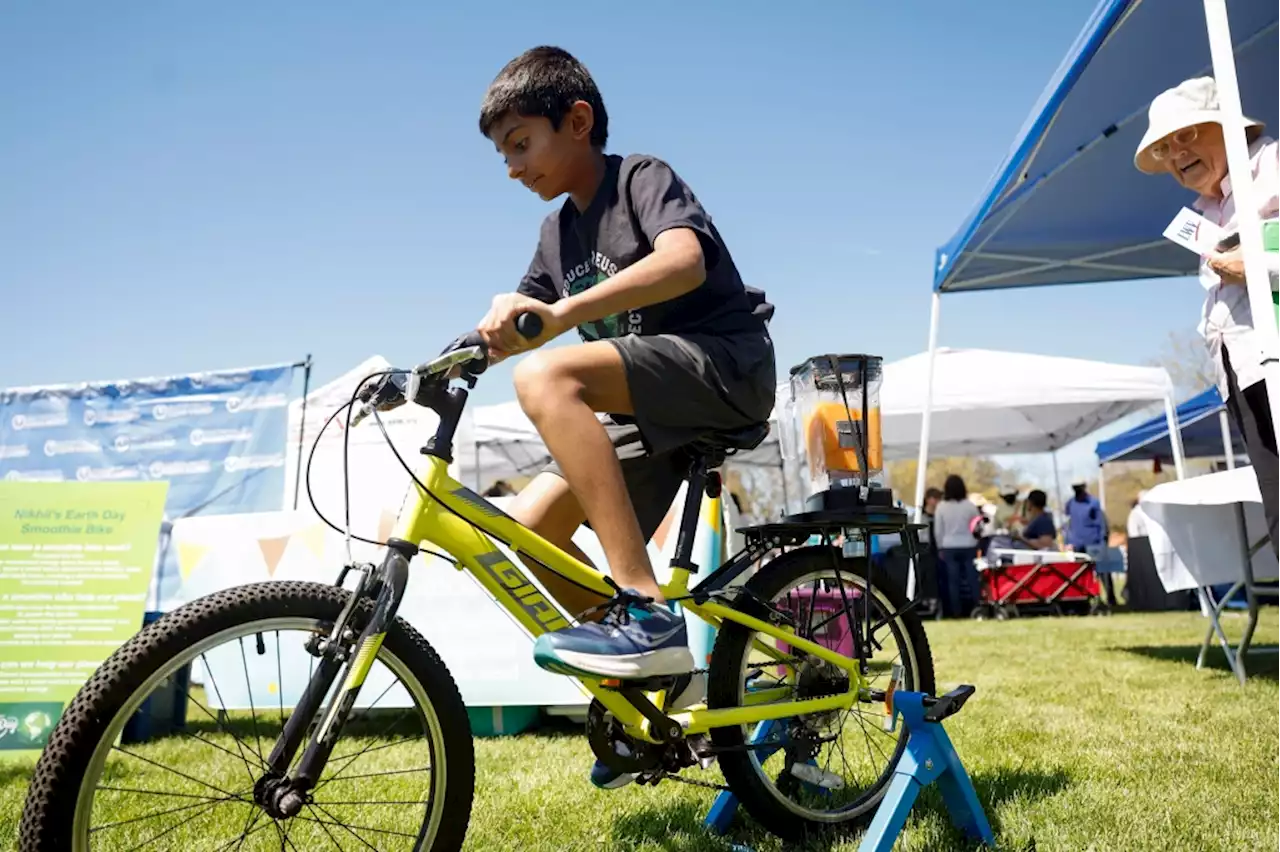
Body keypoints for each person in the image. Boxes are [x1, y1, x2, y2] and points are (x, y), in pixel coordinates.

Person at [474, 47, 777, 786]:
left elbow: (684, 263)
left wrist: (562, 315)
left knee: (548, 375)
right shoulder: (555, 235)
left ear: (576, 122)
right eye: (502, 155)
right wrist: (464, 346)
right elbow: (520, 321)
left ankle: (644, 609)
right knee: (530, 527)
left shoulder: (640, 177)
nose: (512, 167)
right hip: (649, 412)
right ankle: (660, 694)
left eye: (521, 144)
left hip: (724, 368)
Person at [1135, 76, 1280, 558]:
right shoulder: (1205, 210)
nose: (1176, 153)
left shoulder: (1275, 164)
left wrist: (1257, 268)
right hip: (1242, 372)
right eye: (1164, 147)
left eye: (1186, 135)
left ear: (1227, 126)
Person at [932, 475, 981, 618]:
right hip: (969, 545)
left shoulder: (941, 507)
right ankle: (978, 607)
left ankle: (956, 612)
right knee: (973, 579)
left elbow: (938, 530)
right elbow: (977, 526)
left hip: (949, 546)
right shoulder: (970, 506)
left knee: (953, 581)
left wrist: (940, 547)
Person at [1065, 482, 1113, 606]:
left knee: (1103, 572)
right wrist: (1068, 541)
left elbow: (1101, 523)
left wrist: (1103, 541)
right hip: (1077, 544)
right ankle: (1082, 600)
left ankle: (1110, 598)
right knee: (1080, 573)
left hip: (1094, 542)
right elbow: (1069, 523)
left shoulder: (1093, 503)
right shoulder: (1070, 503)